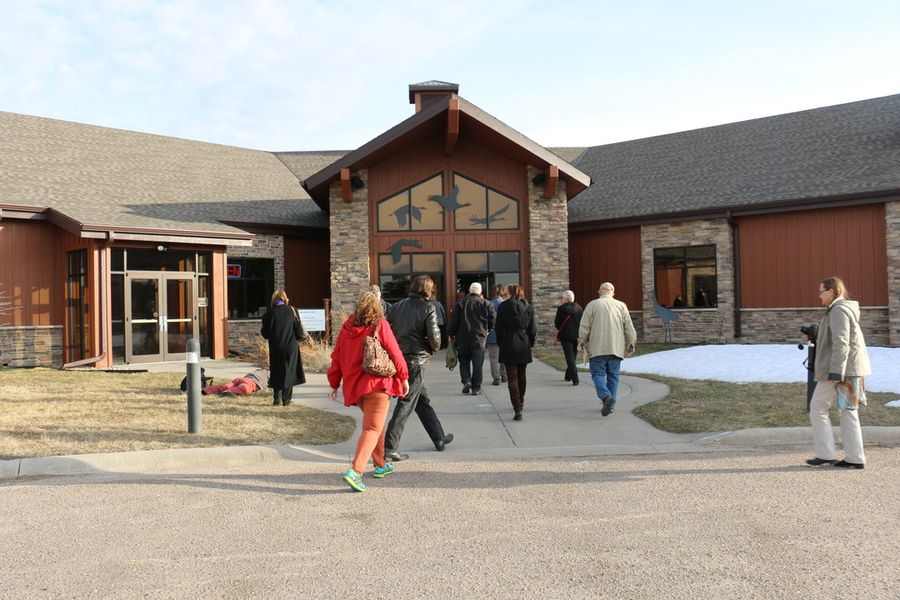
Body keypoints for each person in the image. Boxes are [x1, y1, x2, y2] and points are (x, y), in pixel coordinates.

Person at [327, 290, 409, 492]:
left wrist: (334, 383)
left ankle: (380, 465)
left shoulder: (347, 328)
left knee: (376, 426)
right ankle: (356, 471)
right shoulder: (380, 324)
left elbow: (336, 358)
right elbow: (395, 352)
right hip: (378, 385)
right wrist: (404, 376)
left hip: (356, 388)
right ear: (378, 307)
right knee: (372, 428)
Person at [384, 275, 453, 461]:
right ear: (428, 289)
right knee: (406, 403)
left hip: (400, 358)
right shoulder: (428, 307)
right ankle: (390, 447)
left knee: (422, 401)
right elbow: (435, 339)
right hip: (418, 361)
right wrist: (433, 348)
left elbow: (388, 330)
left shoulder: (397, 307)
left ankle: (438, 437)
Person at [805, 276, 871, 470]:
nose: (819, 295)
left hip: (840, 371)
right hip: (848, 369)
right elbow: (838, 338)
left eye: (821, 291)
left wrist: (836, 373)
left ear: (832, 291)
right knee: (848, 411)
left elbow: (842, 343)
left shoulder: (839, 310)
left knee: (818, 407)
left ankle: (827, 453)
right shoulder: (839, 310)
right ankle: (855, 457)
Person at [578, 282, 636, 417]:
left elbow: (584, 327)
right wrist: (631, 343)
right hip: (616, 347)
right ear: (613, 293)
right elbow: (629, 327)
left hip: (597, 347)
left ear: (599, 291)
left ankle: (605, 397)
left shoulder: (592, 305)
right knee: (613, 377)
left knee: (597, 375)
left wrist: (581, 343)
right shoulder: (621, 305)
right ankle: (611, 406)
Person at [495, 284, 537, 421]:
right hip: (523, 341)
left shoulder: (503, 307)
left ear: (510, 293)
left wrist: (501, 342)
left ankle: (517, 407)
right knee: (521, 374)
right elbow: (533, 328)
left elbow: (498, 327)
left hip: (508, 341)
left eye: (506, 292)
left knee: (512, 377)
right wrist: (530, 342)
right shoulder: (528, 307)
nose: (504, 294)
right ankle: (521, 401)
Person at [260, 290, 307, 406]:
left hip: (275, 347)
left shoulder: (268, 314)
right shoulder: (292, 311)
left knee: (276, 370)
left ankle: (277, 397)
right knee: (289, 372)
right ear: (285, 298)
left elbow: (265, 334)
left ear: (273, 300)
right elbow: (298, 330)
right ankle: (286, 400)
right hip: (291, 346)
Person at [448, 282, 495, 395]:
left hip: (462, 337)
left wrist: (451, 334)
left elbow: (454, 321)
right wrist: (489, 329)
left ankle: (466, 381)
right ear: (480, 292)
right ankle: (476, 388)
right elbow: (493, 318)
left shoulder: (460, 304)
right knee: (477, 364)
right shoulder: (486, 303)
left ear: (470, 291)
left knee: (463, 361)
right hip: (479, 338)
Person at [554, 290, 583, 386]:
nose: (561, 299)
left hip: (565, 336)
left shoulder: (561, 309)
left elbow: (557, 323)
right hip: (577, 336)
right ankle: (568, 376)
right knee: (573, 356)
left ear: (566, 299)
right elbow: (582, 322)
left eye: (562, 297)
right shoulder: (579, 308)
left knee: (569, 357)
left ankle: (575, 379)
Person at [486, 284, 508, 386]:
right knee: (504, 356)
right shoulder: (505, 303)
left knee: (494, 357)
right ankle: (504, 374)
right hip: (504, 333)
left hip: (492, 333)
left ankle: (496, 377)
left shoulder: (488, 303)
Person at [202, 368, 269, 397]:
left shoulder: (259, 370)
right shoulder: (270, 374)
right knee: (243, 388)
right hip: (251, 382)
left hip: (241, 379)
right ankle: (229, 392)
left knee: (225, 387)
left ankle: (205, 390)